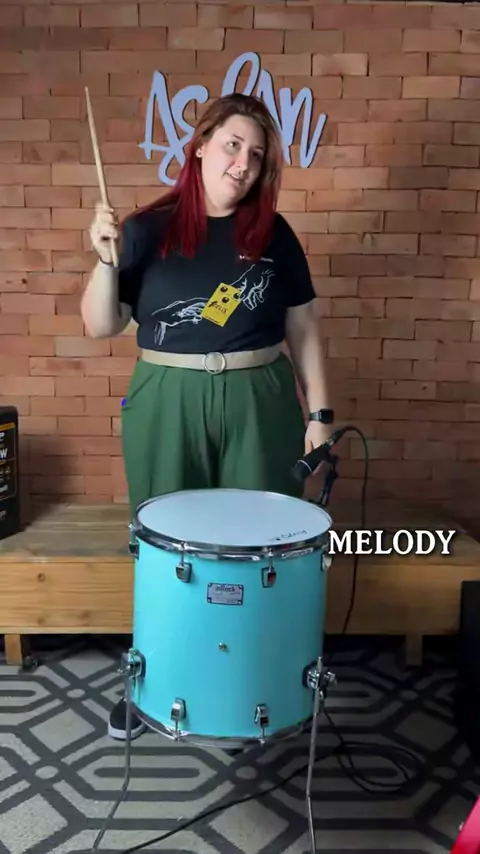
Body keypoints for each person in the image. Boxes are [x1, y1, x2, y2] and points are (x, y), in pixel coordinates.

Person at [81, 92, 334, 742]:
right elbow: (101, 325)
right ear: (199, 147)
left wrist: (320, 414)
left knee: (263, 546)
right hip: (167, 397)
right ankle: (151, 686)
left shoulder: (273, 234)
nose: (243, 163)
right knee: (162, 549)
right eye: (232, 145)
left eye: (256, 154)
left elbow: (304, 329)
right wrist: (106, 260)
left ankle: (258, 687)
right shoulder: (146, 229)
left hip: (260, 397)